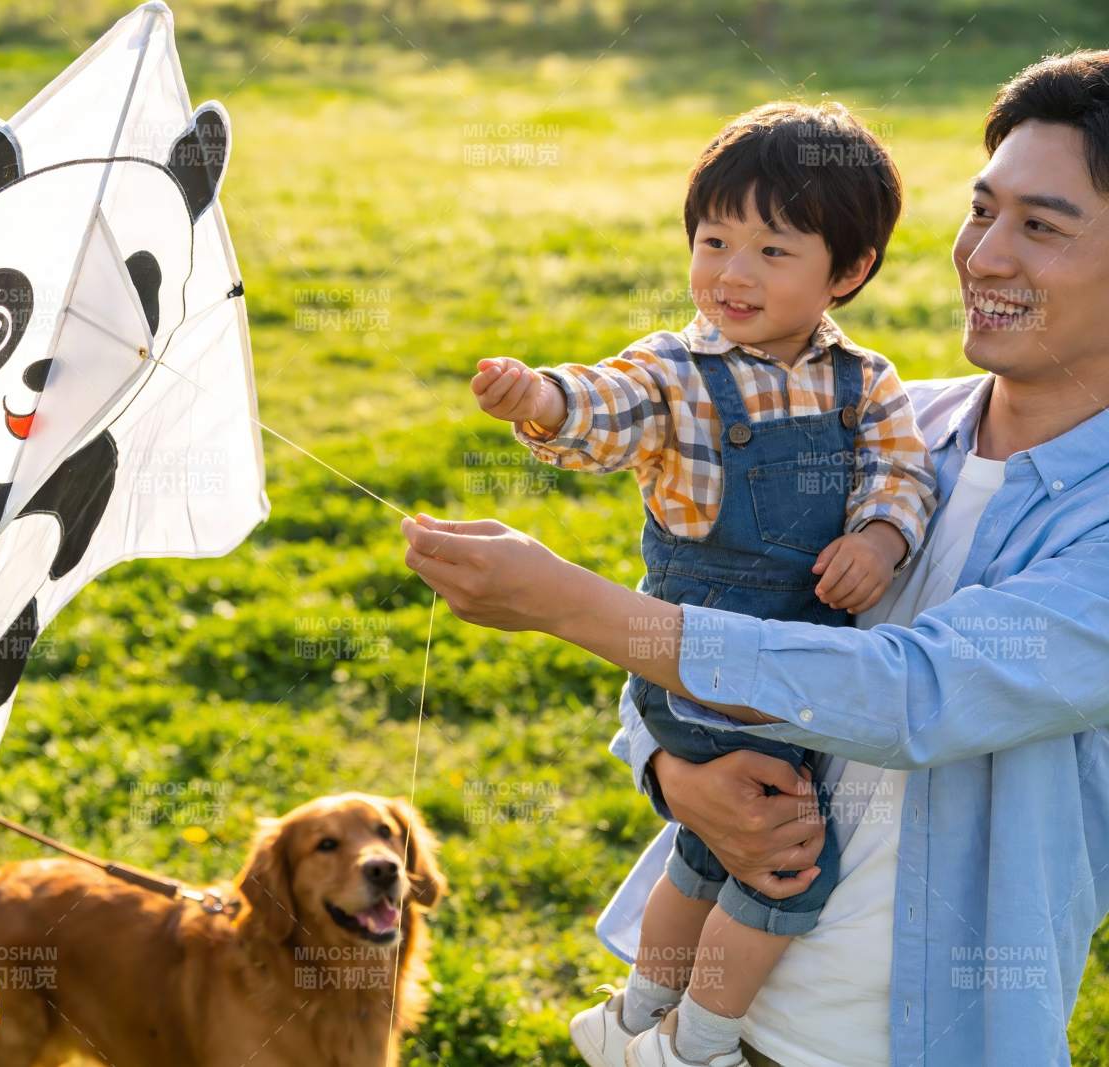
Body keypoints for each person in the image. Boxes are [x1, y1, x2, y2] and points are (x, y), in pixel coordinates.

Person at [403, 49, 1109, 1067]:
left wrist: (566, 604)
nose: (984, 256)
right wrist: (671, 769)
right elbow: (699, 609)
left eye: (1040, 226)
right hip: (712, 1013)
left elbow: (913, 694)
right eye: (981, 209)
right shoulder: (890, 427)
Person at [473, 101, 937, 1067]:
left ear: (846, 273)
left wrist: (883, 539)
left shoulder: (866, 382)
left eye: (774, 251)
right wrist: (543, 400)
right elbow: (607, 404)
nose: (731, 272)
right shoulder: (676, 371)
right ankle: (700, 1044)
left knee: (708, 845)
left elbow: (903, 473)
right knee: (785, 865)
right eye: (714, 239)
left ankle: (633, 1014)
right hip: (694, 667)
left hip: (795, 666)